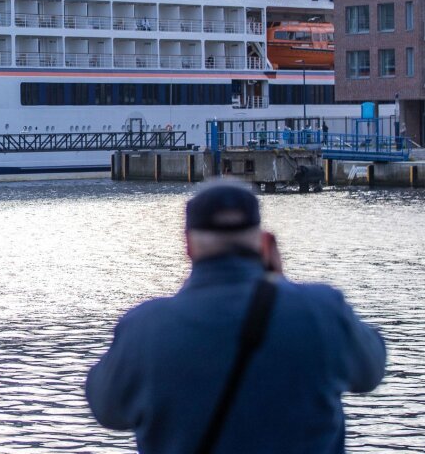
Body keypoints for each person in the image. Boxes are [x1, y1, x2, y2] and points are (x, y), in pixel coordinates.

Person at [86, 183, 385, 453]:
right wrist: (280, 286)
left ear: (188, 245)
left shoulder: (145, 327)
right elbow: (370, 371)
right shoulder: (323, 310)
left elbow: (107, 409)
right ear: (264, 242)